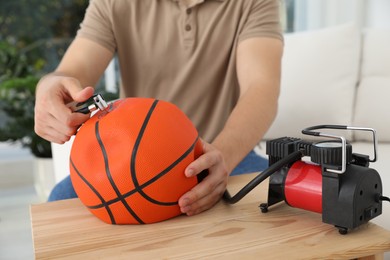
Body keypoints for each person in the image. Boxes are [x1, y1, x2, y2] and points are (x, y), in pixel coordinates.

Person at [34, 0, 283, 216]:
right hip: (130, 161)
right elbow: (71, 72)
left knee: (282, 198)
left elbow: (261, 87)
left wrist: (221, 158)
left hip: (219, 153)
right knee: (60, 200)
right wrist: (49, 86)